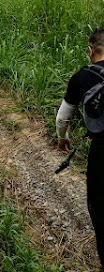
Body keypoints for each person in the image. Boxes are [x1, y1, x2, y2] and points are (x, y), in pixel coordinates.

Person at [56, 27, 104, 270]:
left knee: (99, 209)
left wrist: (62, 139)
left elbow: (63, 118)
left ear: (89, 51)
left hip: (101, 152)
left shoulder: (82, 78)